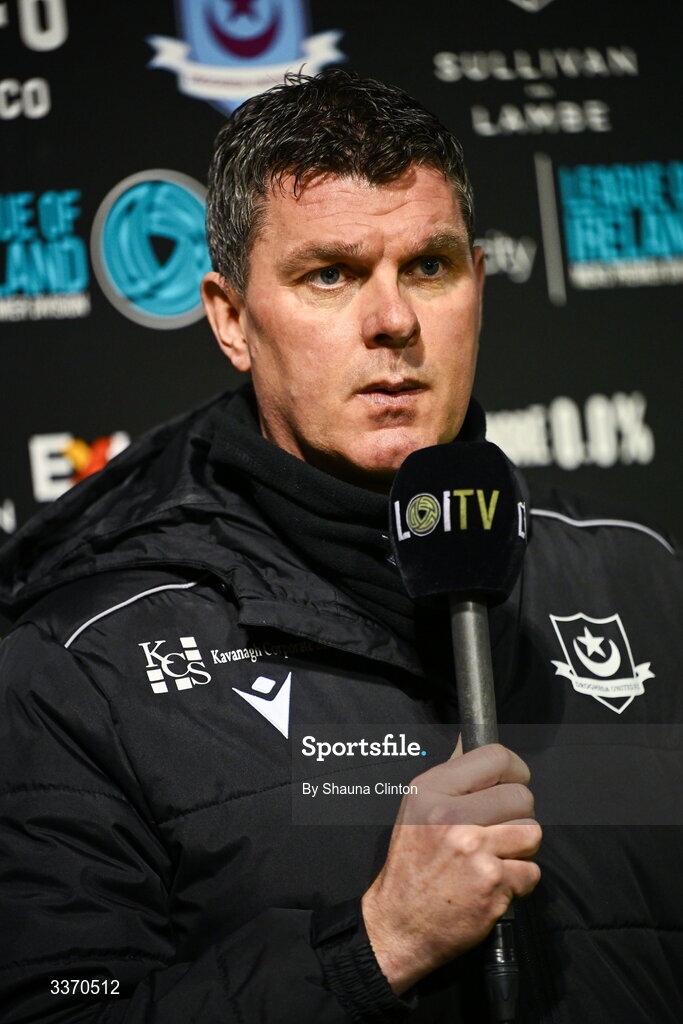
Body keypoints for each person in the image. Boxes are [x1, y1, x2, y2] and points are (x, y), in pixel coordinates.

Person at [0, 69, 681, 1024]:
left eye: (429, 267)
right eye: (331, 274)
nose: (394, 320)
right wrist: (374, 946)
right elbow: (59, 1007)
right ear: (231, 319)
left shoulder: (641, 579)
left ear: (478, 286)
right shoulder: (83, 665)